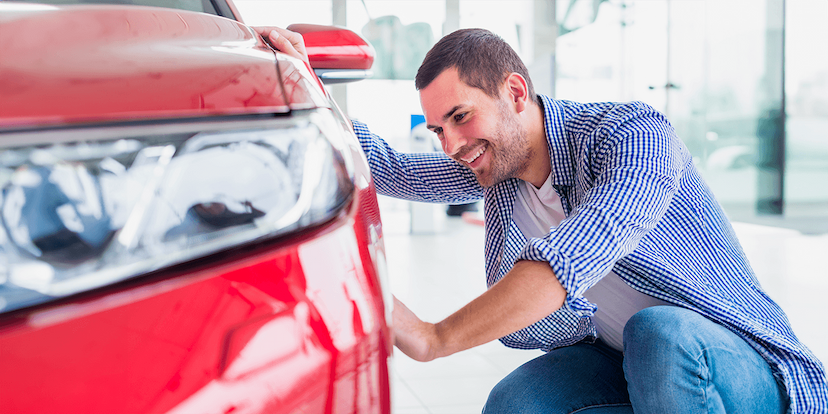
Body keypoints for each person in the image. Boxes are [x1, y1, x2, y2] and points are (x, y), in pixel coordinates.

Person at [256, 26, 827, 413]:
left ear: (515, 91)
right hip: (623, 358)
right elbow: (387, 168)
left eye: (460, 117)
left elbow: (568, 259)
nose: (452, 143)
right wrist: (301, 79)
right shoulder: (496, 169)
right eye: (438, 130)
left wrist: (434, 338)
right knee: (514, 405)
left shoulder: (632, 135)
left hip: (742, 366)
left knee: (659, 333)